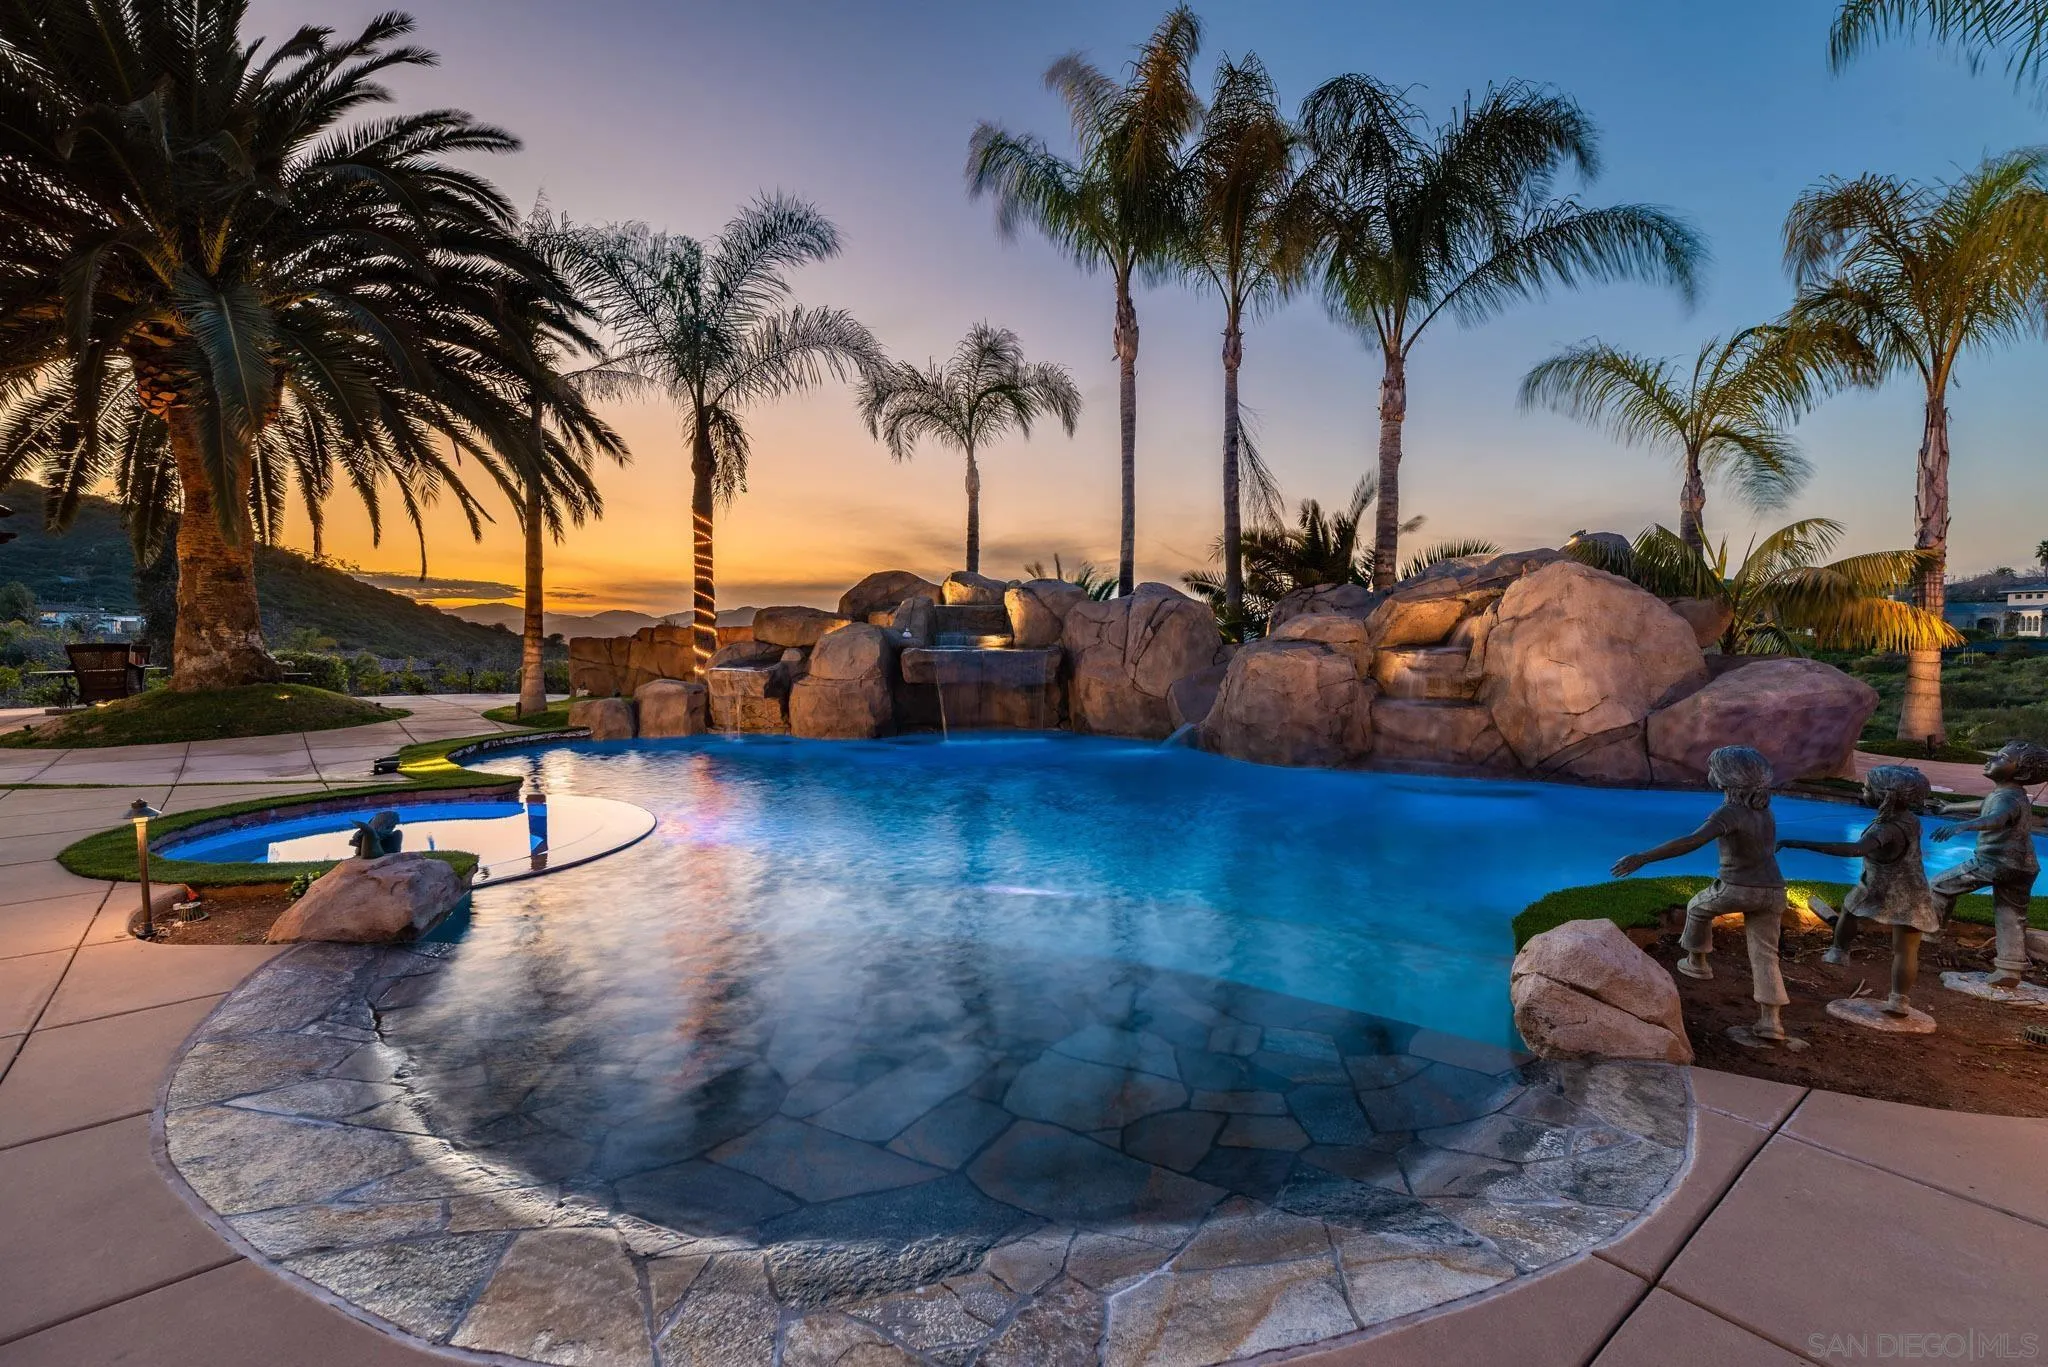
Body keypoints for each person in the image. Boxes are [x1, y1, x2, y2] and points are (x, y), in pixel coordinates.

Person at [1612, 746, 1790, 1042]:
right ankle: (1771, 1021)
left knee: (1697, 906)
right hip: (1774, 891)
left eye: (1714, 769)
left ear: (1726, 779)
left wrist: (1643, 857)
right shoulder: (1764, 812)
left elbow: (1692, 841)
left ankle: (1697, 963)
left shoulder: (1729, 813)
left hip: (1738, 888)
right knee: (1765, 955)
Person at [1778, 765, 1937, 1020]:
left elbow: (1855, 850)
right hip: (1913, 892)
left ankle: (1839, 951)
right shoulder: (1909, 819)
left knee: (1850, 910)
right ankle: (1899, 1001)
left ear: (1885, 796)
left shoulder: (1884, 829)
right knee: (1905, 948)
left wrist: (1801, 843)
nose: (1863, 790)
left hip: (1880, 887)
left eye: (1867, 788)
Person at [1929, 740, 2048, 988]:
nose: (1991, 760)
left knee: (1940, 885)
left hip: (1996, 862)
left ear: (2022, 772)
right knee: (2010, 915)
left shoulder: (2009, 799)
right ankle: (2009, 968)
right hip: (2023, 867)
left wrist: (1961, 825)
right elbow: (1985, 806)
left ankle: (1929, 932)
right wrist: (1949, 807)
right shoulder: (2012, 794)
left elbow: (1996, 818)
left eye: (2001, 757)